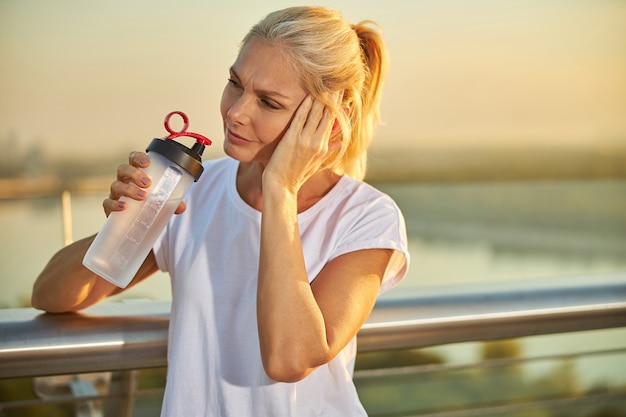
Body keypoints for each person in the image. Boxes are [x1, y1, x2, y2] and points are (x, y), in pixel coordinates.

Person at [32, 6, 409, 416]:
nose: (235, 112)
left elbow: (289, 359)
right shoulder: (194, 188)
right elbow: (51, 295)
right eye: (235, 83)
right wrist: (124, 222)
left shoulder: (367, 217)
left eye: (268, 102)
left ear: (327, 123)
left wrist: (280, 189)